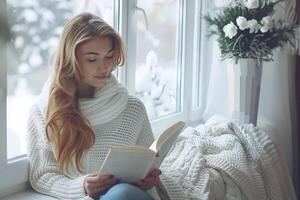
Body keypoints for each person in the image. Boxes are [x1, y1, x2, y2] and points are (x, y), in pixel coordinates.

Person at [27, 12, 167, 200]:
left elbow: (148, 163)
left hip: (129, 196)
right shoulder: (43, 112)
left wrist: (147, 180)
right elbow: (42, 175)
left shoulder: (132, 109)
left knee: (122, 194)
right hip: (83, 196)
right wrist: (82, 186)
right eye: (92, 59)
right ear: (71, 60)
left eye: (109, 56)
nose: (105, 67)